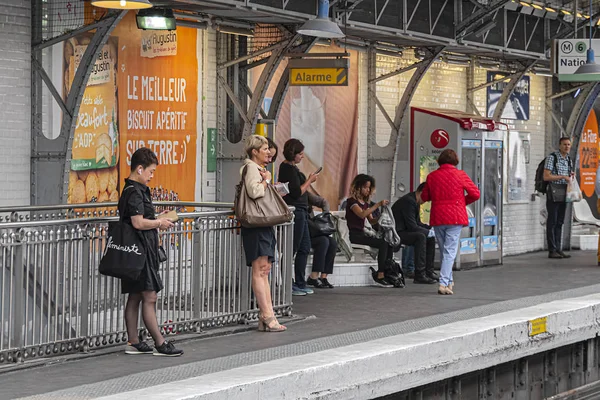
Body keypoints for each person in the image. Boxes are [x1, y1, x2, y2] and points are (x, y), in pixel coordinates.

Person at [120, 147, 183, 356]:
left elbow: (139, 218)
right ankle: (160, 342)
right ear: (140, 169)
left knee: (136, 295)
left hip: (135, 252)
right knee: (150, 296)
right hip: (141, 252)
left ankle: (134, 341)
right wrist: (159, 222)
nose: (152, 176)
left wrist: (157, 216)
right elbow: (137, 223)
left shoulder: (132, 191)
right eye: (151, 171)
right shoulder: (135, 192)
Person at [240, 135, 287, 332]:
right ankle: (267, 315)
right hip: (257, 224)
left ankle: (266, 314)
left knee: (264, 270)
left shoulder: (256, 168)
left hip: (262, 224)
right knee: (260, 270)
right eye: (265, 149)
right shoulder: (251, 167)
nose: (268, 152)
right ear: (254, 151)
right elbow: (254, 191)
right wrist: (266, 181)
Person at [421, 149, 480, 295]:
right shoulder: (460, 175)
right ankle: (443, 283)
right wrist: (461, 203)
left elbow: (425, 196)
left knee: (444, 251)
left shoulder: (432, 176)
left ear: (440, 161)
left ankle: (449, 282)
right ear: (455, 161)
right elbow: (475, 194)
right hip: (455, 217)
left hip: (438, 217)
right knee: (450, 251)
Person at [278, 139, 318, 296]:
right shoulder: (288, 169)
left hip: (302, 211)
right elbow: (296, 192)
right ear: (293, 154)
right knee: (292, 248)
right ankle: (289, 283)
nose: (302, 157)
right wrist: (309, 180)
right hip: (296, 211)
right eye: (300, 154)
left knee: (304, 247)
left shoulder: (291, 168)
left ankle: (300, 282)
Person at [346, 174, 394, 288]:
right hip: (354, 234)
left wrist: (380, 217)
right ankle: (380, 274)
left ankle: (387, 270)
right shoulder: (352, 202)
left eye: (369, 188)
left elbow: (371, 220)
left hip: (362, 233)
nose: (367, 190)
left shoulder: (365, 203)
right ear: (358, 187)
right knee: (382, 243)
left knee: (388, 242)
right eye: (365, 187)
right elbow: (362, 214)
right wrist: (377, 205)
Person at [391, 183, 437, 284]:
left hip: (405, 230)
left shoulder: (414, 201)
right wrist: (428, 232)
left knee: (429, 237)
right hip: (398, 232)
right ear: (421, 193)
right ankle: (420, 274)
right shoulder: (408, 201)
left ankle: (429, 271)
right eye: (426, 198)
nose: (426, 201)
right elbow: (412, 226)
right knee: (420, 237)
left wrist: (430, 229)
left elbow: (417, 223)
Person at [543, 137, 574, 259]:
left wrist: (570, 176)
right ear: (559, 145)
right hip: (554, 191)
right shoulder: (552, 158)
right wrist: (563, 177)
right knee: (552, 220)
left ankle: (558, 248)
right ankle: (552, 249)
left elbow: (569, 175)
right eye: (564, 144)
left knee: (560, 221)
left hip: (565, 191)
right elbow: (546, 176)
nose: (567, 147)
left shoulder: (569, 160)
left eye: (569, 144)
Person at [306, 192, 336, 288]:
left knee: (333, 242)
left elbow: (324, 202)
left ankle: (323, 277)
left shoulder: (306, 195)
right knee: (323, 241)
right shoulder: (292, 196)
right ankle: (313, 277)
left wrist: (326, 215)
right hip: (304, 232)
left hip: (313, 230)